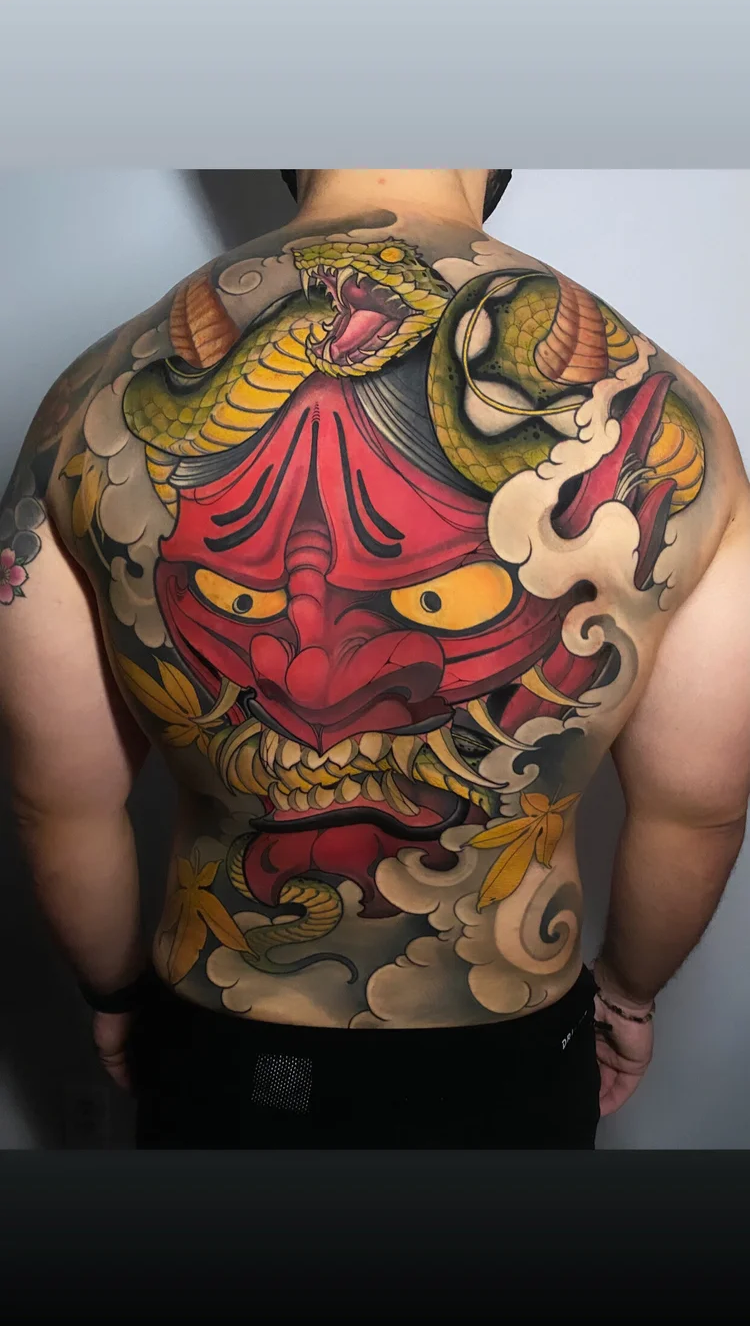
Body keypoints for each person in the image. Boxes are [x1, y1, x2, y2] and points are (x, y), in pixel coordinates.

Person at [1, 169, 748, 1149]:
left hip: (218, 1046)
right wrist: (628, 993)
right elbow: (699, 805)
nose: (317, 684)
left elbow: (59, 802)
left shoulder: (87, 398)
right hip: (508, 1054)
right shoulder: (675, 412)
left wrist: (113, 995)